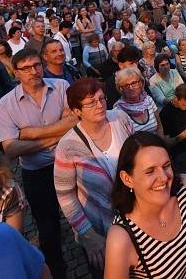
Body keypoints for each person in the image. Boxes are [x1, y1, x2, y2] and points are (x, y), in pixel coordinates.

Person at [105, 131, 186, 278]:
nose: (164, 178)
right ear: (127, 179)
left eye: (166, 166)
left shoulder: (185, 187)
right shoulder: (121, 238)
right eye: (150, 171)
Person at [0, 48, 76, 279]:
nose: (34, 71)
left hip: (70, 164)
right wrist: (54, 138)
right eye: (26, 68)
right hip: (37, 173)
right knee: (48, 227)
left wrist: (30, 134)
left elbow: (74, 120)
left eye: (37, 65)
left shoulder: (61, 87)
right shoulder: (6, 104)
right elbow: (10, 148)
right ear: (16, 73)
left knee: (82, 218)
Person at [53, 78, 135, 276]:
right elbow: (66, 196)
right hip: (101, 228)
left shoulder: (120, 119)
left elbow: (138, 153)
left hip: (137, 218)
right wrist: (89, 235)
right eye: (90, 103)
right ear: (76, 110)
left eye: (101, 98)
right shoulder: (68, 146)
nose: (99, 105)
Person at [113, 67, 162, 134]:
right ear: (121, 88)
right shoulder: (118, 112)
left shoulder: (148, 100)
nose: (131, 88)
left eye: (134, 83)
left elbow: (160, 127)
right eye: (126, 85)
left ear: (141, 83)